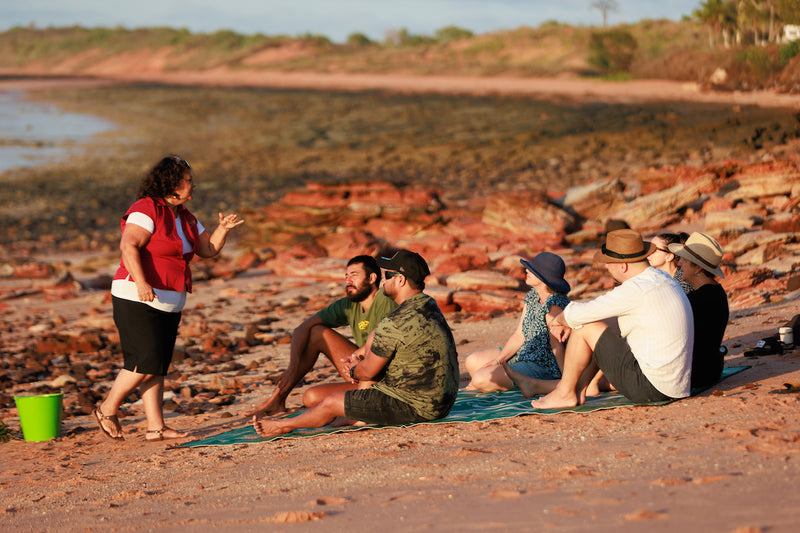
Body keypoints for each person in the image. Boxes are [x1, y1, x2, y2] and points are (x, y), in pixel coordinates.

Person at [93, 155, 244, 441]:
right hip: (136, 296)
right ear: (172, 183)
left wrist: (223, 229)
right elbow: (129, 246)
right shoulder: (147, 208)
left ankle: (156, 428)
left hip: (169, 301)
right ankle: (107, 408)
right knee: (144, 361)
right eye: (188, 180)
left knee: (157, 366)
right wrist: (141, 282)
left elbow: (208, 250)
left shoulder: (186, 217)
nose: (193, 184)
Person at [253, 249, 459, 437]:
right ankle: (357, 412)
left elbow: (368, 373)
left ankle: (282, 426)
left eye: (388, 276)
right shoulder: (428, 305)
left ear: (401, 280)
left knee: (333, 402)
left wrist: (353, 369)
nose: (383, 281)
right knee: (324, 398)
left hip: (416, 407)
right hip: (442, 402)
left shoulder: (395, 320)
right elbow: (380, 335)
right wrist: (361, 352)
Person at [530, 229, 694, 409]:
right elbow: (598, 314)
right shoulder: (660, 278)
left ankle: (564, 393)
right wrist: (573, 320)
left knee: (585, 327)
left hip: (651, 388)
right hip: (675, 386)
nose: (606, 267)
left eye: (609, 263)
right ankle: (580, 387)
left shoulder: (636, 288)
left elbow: (579, 313)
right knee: (597, 322)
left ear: (623, 266)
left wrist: (560, 320)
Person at [243, 255, 398, 417]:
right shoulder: (348, 305)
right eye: (346, 276)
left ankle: (362, 402)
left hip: (382, 379)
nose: (348, 281)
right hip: (360, 369)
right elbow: (302, 329)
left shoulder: (385, 302)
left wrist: (356, 357)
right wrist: (293, 367)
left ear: (372, 278)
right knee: (317, 332)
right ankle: (277, 400)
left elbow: (383, 342)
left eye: (354, 275)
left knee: (311, 398)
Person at [464, 252, 570, 394]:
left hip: (542, 365)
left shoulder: (554, 305)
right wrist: (499, 360)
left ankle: (543, 383)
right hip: (524, 352)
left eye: (532, 270)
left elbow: (556, 345)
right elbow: (520, 334)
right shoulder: (533, 295)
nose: (526, 270)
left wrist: (567, 378)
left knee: (480, 379)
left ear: (544, 278)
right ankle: (505, 382)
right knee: (472, 361)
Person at [668, 232, 729, 389]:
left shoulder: (697, 299)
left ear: (698, 269)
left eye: (684, 260)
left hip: (693, 376)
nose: (679, 263)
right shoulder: (716, 292)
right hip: (711, 371)